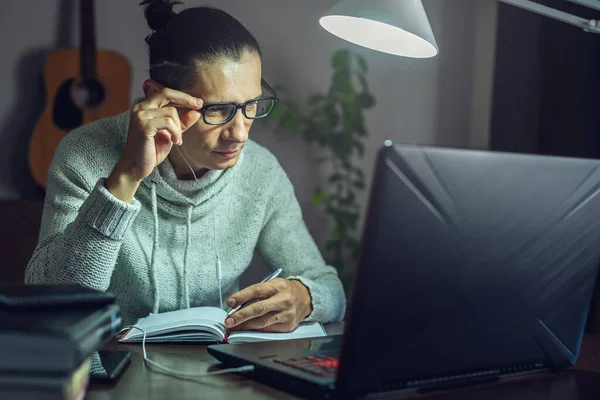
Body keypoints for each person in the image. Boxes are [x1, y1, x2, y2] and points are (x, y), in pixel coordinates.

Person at [25, 0, 346, 332]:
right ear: (158, 98)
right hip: (109, 369)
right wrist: (126, 177)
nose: (240, 133)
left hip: (214, 370)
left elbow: (332, 291)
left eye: (252, 105)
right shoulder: (83, 156)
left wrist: (304, 297)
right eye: (218, 110)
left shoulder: (261, 172)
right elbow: (51, 300)